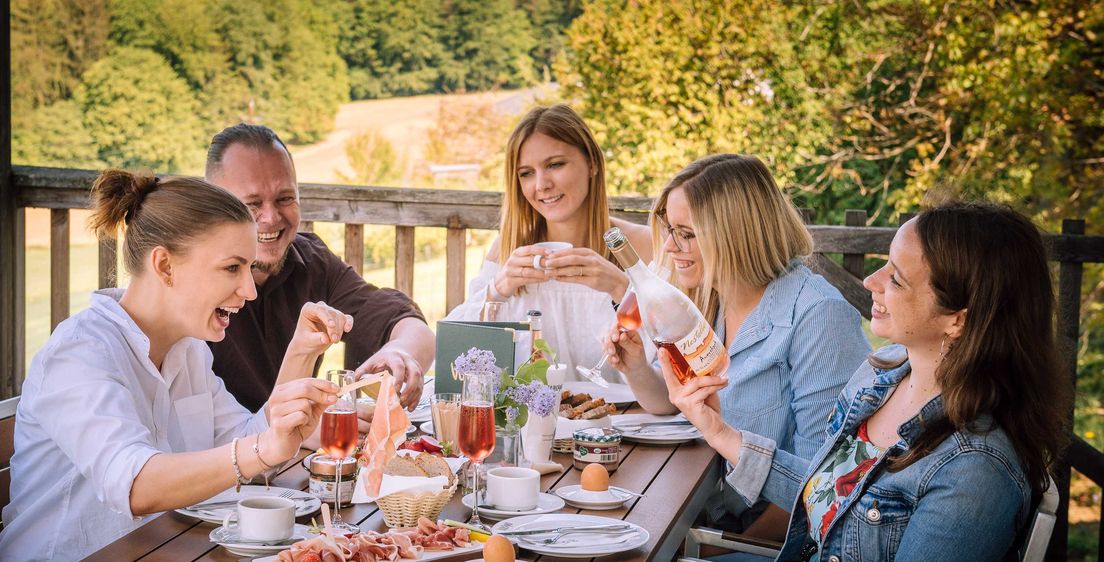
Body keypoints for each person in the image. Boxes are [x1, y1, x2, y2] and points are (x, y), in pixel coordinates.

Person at [667, 201, 1068, 560]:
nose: (871, 281)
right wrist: (717, 430)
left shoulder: (975, 470)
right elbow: (828, 494)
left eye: (897, 279)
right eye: (884, 265)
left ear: (957, 320)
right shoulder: (882, 376)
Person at [0, 171, 347, 561]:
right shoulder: (80, 353)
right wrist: (262, 448)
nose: (249, 290)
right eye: (232, 268)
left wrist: (301, 352)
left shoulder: (188, 350)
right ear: (164, 265)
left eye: (249, 268)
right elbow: (135, 485)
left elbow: (251, 444)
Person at [604, 154, 869, 537]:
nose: (670, 246)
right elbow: (673, 399)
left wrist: (713, 549)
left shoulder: (818, 316)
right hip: (699, 512)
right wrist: (636, 368)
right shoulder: (709, 293)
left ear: (736, 234)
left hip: (761, 539)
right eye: (669, 229)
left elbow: (819, 486)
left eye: (687, 233)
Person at [204, 124, 434, 412]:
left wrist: (399, 353)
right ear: (214, 206)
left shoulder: (312, 261)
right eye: (252, 204)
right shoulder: (192, 281)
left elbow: (403, 320)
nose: (271, 217)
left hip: (295, 437)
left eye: (285, 198)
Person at [445, 104, 651, 381]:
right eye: (526, 173)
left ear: (592, 163)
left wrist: (621, 289)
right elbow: (452, 358)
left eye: (555, 165)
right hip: (537, 410)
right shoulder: (508, 250)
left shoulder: (641, 246)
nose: (541, 184)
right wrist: (498, 289)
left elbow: (671, 357)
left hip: (630, 410)